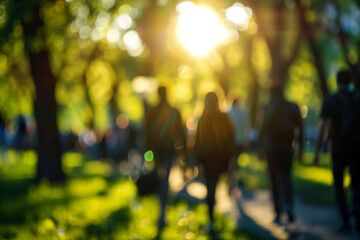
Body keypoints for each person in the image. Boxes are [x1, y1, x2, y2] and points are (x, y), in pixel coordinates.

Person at [314, 70, 360, 233]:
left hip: (338, 149)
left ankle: (346, 221)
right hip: (356, 148)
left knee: (339, 185)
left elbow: (323, 129)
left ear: (336, 81)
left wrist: (317, 152)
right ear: (350, 81)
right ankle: (357, 212)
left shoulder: (330, 101)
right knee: (357, 183)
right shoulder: (357, 98)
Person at [258, 85, 303, 225]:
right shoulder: (293, 107)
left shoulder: (269, 106)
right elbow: (301, 127)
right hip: (287, 147)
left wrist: (259, 148)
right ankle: (289, 205)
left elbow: (263, 128)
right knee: (286, 176)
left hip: (272, 148)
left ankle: (278, 211)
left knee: (273, 179)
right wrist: (300, 148)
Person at [144, 86, 186, 229]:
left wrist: (147, 154)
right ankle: (162, 213)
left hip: (156, 152)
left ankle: (161, 213)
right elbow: (181, 135)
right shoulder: (174, 111)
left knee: (159, 178)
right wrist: (183, 154)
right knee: (165, 180)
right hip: (169, 151)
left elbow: (147, 134)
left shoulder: (152, 111)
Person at [194, 92, 234, 231]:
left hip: (207, 159)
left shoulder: (203, 118)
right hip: (220, 158)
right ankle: (213, 217)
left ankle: (211, 218)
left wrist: (196, 159)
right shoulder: (223, 117)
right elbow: (231, 136)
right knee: (214, 185)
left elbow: (197, 140)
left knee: (210, 186)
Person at [227, 97, 249, 194]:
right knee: (235, 162)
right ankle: (233, 183)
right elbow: (246, 128)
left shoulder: (228, 113)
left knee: (231, 161)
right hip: (239, 142)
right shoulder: (243, 113)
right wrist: (246, 141)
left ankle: (231, 183)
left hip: (230, 142)